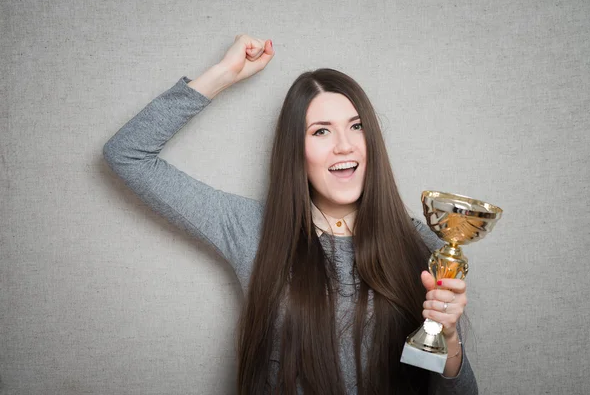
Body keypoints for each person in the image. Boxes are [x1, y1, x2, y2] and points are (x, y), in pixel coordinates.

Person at [103, 34, 478, 395]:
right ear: (295, 150)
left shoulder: (427, 245)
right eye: (321, 132)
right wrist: (222, 75)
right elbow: (127, 154)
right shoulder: (252, 230)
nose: (344, 146)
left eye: (356, 126)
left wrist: (448, 339)